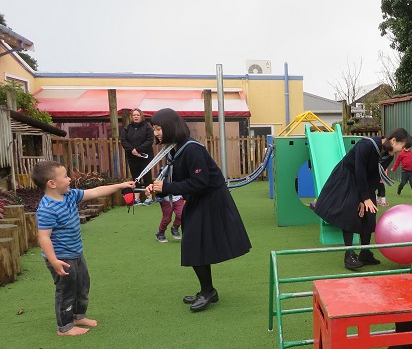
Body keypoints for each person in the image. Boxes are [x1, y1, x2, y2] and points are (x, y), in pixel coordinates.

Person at [144, 108, 251, 312]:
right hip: (198, 199)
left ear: (170, 127)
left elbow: (200, 182)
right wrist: (158, 188)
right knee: (195, 244)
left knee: (194, 243)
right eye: (154, 129)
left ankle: (208, 291)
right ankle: (207, 290)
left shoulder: (192, 149)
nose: (155, 133)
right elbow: (179, 180)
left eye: (158, 128)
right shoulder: (174, 148)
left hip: (211, 199)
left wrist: (166, 187)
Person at [33, 161, 135, 336]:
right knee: (66, 290)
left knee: (82, 285)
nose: (70, 179)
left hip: (76, 252)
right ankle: (65, 327)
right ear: (52, 183)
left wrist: (120, 186)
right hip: (61, 258)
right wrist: (54, 261)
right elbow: (44, 237)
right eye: (65, 176)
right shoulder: (47, 209)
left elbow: (95, 191)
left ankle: (78, 316)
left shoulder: (70, 195)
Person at [314, 128, 409, 270]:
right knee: (350, 213)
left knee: (370, 213)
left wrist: (367, 198)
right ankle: (349, 254)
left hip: (365, 181)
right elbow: (359, 171)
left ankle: (365, 252)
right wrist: (363, 198)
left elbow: (375, 175)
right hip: (348, 177)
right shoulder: (366, 145)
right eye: (402, 147)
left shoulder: (388, 153)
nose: (401, 151)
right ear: (394, 140)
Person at [120, 108, 155, 204]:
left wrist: (138, 150)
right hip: (132, 157)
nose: (136, 117)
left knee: (147, 176)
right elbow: (123, 141)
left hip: (145, 156)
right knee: (136, 177)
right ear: (131, 117)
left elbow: (150, 141)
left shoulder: (147, 127)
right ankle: (137, 198)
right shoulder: (127, 128)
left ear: (141, 116)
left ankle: (149, 197)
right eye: (134, 115)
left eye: (138, 115)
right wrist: (132, 150)